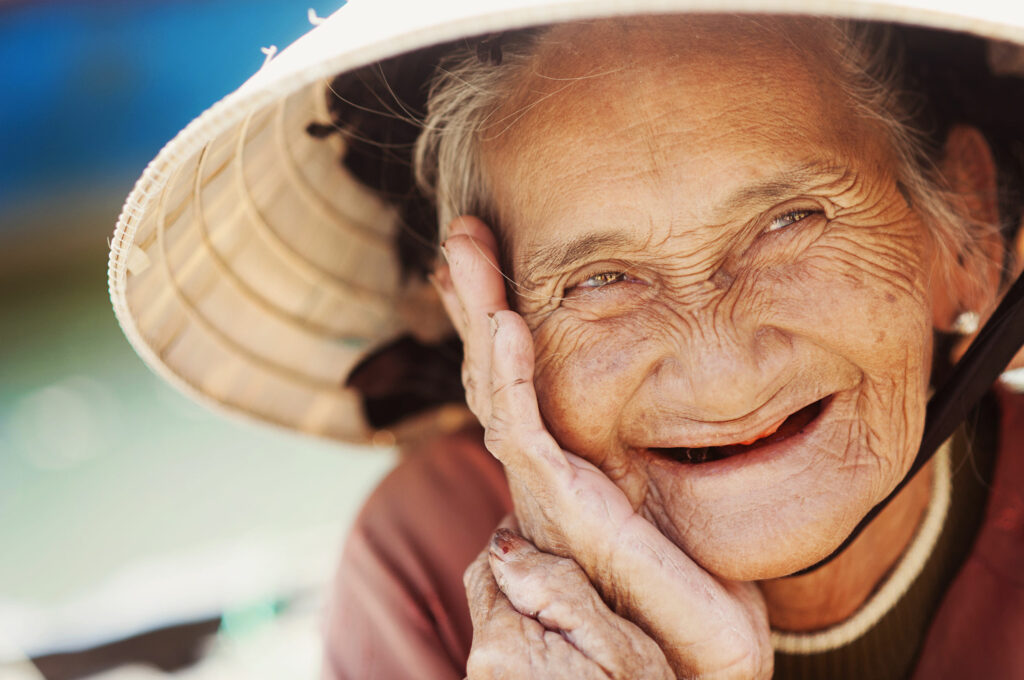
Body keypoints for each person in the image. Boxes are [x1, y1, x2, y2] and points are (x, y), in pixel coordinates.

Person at [105, 3, 1024, 679]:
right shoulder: (427, 563)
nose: (718, 368)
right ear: (484, 328)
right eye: (599, 280)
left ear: (970, 231)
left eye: (789, 222)